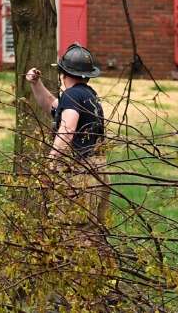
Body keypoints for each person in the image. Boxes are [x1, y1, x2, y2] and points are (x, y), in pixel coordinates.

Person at [25, 43, 108, 230]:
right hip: (97, 171)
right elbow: (52, 104)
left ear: (63, 73)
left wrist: (51, 161)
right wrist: (36, 84)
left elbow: (68, 128)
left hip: (79, 175)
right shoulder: (87, 96)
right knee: (95, 232)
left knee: (74, 232)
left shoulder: (72, 96)